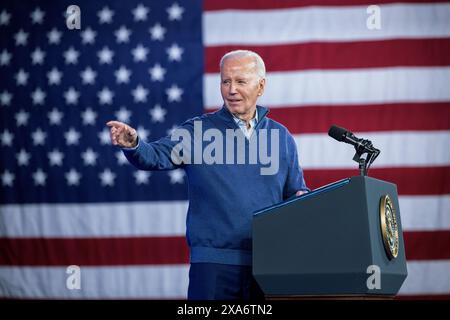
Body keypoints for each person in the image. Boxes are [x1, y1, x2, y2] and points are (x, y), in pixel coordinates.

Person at [107, 50, 309, 300]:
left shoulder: (281, 137)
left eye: (240, 81)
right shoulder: (198, 132)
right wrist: (134, 144)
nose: (231, 89)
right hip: (213, 265)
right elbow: (155, 155)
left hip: (268, 265)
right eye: (225, 81)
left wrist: (303, 202)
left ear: (261, 85)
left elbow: (295, 194)